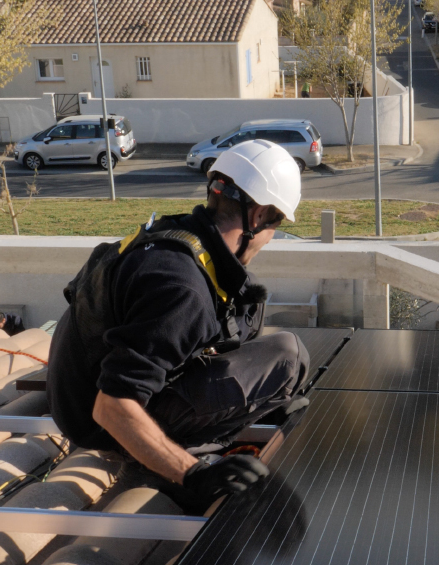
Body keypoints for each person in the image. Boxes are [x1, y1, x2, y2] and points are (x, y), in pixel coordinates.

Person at [47, 140, 310, 507]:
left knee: (248, 302)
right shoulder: (182, 288)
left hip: (78, 395)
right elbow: (112, 407)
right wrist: (192, 472)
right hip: (104, 423)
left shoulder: (177, 237)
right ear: (259, 216)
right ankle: (153, 459)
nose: (270, 238)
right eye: (276, 224)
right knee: (287, 357)